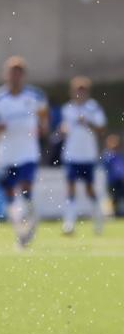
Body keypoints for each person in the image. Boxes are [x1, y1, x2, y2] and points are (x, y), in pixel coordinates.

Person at [0, 56, 49, 248]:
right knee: (9, 193)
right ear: (6, 75)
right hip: (5, 153)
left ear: (23, 75)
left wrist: (43, 126)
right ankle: (21, 232)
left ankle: (32, 219)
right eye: (12, 72)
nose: (15, 76)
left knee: (26, 188)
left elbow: (44, 117)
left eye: (19, 72)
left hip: (28, 151)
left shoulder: (35, 96)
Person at [58, 76, 106, 235]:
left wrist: (87, 122)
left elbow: (101, 129)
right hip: (71, 154)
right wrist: (63, 130)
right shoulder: (67, 108)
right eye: (77, 91)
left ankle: (98, 219)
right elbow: (63, 129)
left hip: (87, 155)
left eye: (82, 91)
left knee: (89, 189)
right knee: (70, 188)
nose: (79, 94)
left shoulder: (93, 108)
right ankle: (69, 223)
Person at [102, 134, 124, 217]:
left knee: (119, 197)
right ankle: (113, 214)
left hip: (121, 181)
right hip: (112, 181)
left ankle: (118, 213)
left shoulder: (120, 155)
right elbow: (107, 166)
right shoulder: (107, 155)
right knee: (113, 198)